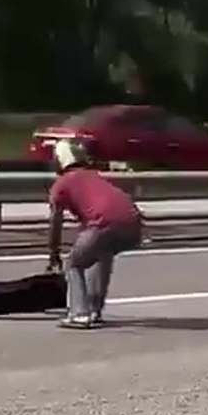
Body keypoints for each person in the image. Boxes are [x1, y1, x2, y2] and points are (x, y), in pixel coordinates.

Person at [46, 138, 143, 329]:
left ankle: (80, 314)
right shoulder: (94, 176)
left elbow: (55, 222)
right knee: (101, 256)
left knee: (73, 264)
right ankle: (94, 310)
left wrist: (54, 253)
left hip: (103, 224)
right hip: (134, 224)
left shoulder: (62, 184)